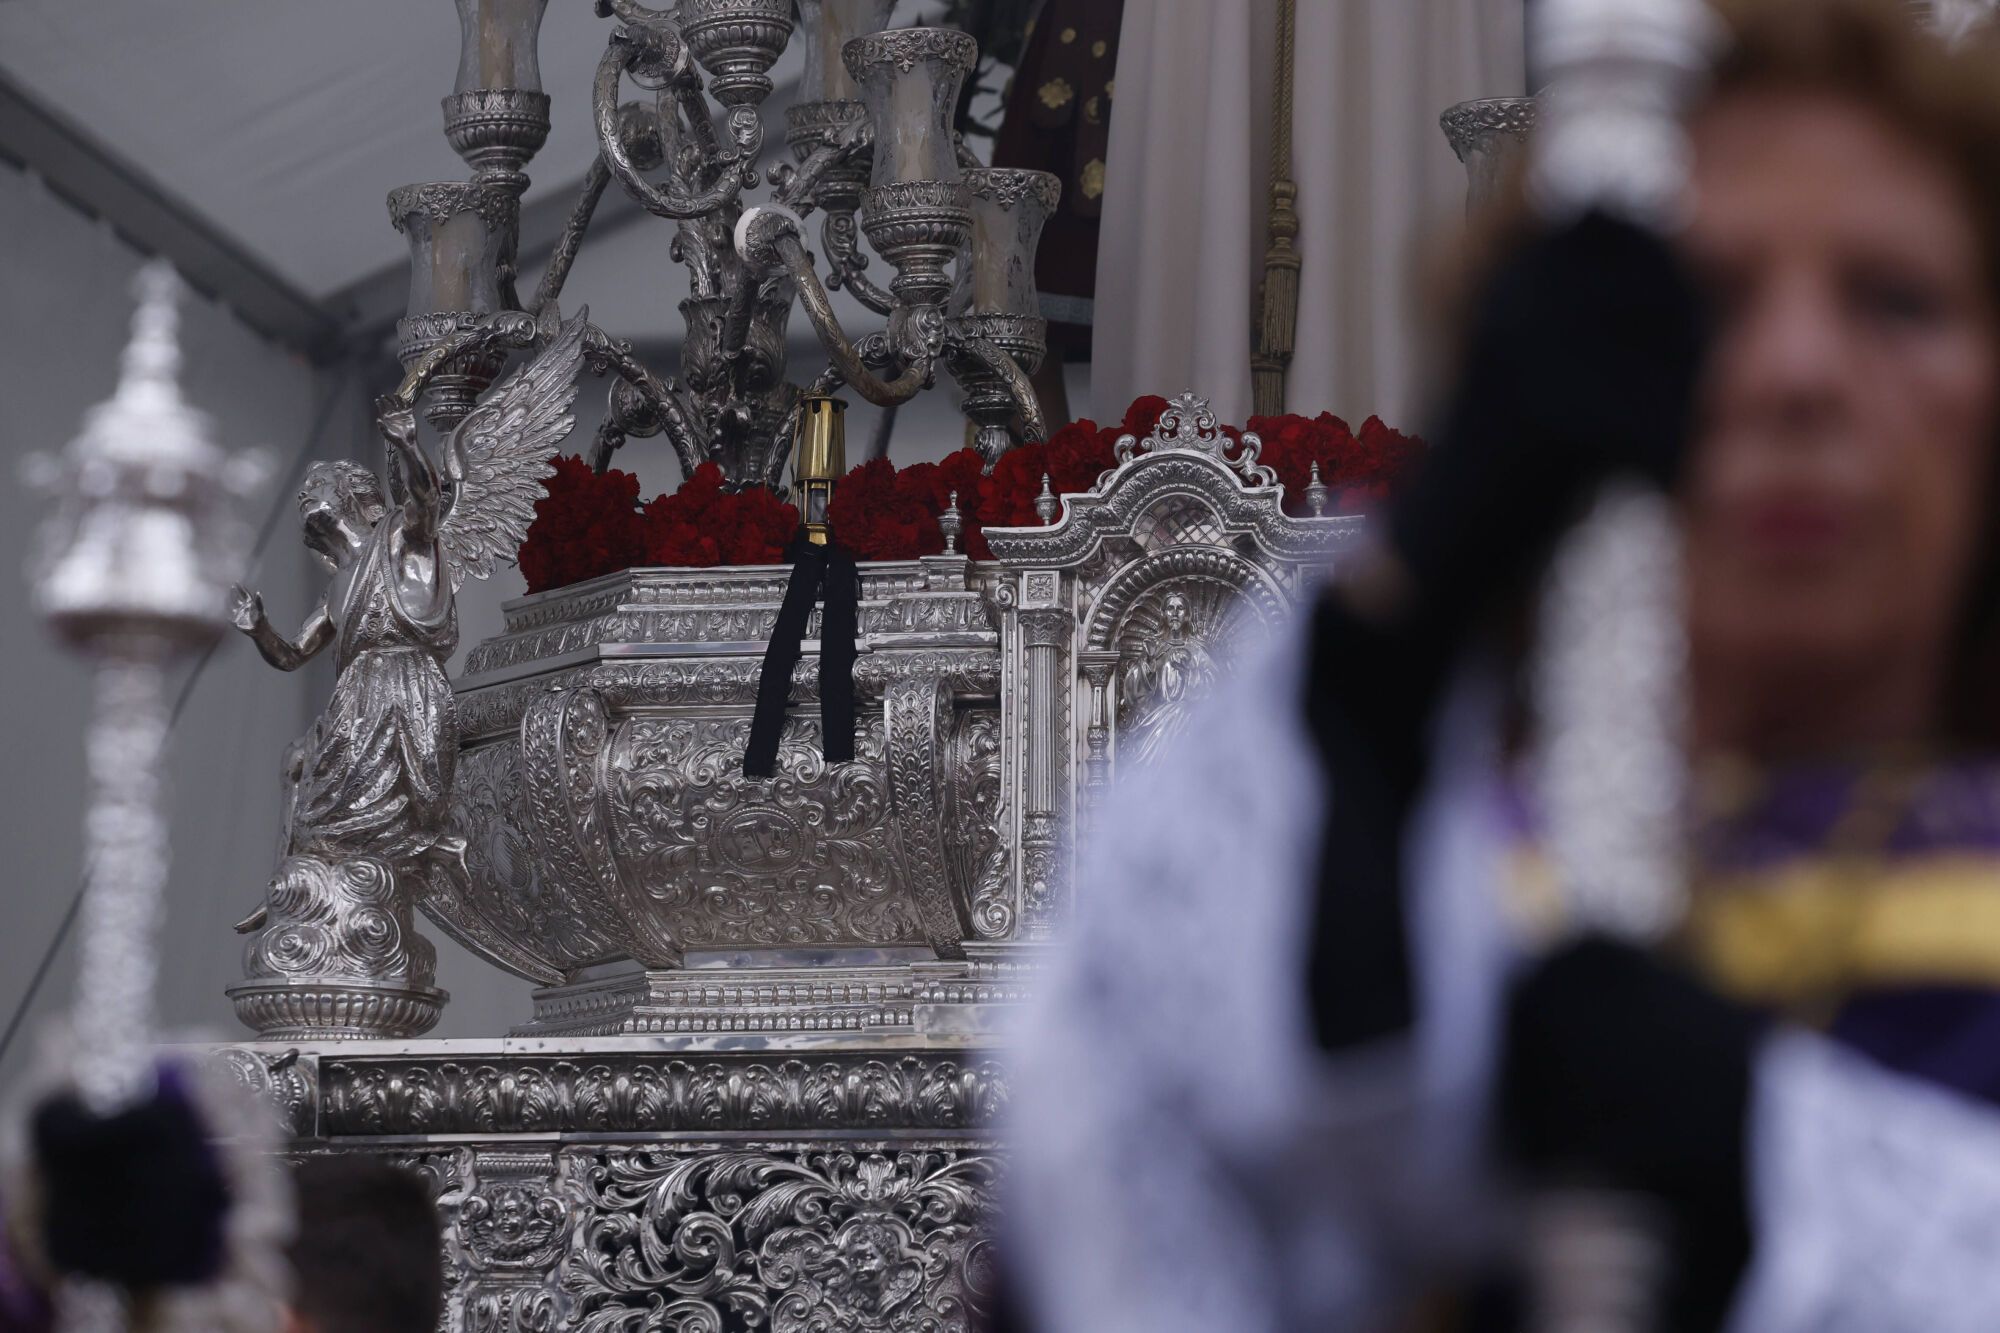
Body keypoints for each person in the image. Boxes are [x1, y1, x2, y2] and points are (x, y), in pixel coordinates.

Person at [1002, 0, 2000, 1329]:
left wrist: (1778, 1162)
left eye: (1897, 300)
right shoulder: (1430, 900)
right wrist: (1387, 651)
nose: (1797, 372)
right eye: (1707, 301)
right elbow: (1108, 1178)